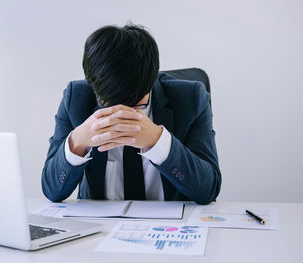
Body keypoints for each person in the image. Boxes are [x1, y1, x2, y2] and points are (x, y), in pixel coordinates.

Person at [41, 24, 221, 205]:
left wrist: (159, 142)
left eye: (136, 104)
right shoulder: (76, 99)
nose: (123, 111)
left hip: (170, 227)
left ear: (152, 81)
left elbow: (208, 190)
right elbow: (52, 191)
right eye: (112, 103)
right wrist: (77, 141)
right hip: (101, 226)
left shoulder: (191, 98)